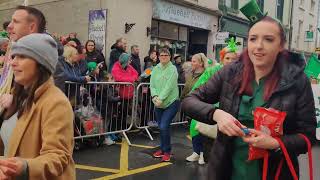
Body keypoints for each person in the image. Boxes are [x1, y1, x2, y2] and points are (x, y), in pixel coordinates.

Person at [182, 13, 316, 180]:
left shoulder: (297, 80)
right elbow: (188, 101)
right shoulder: (230, 72)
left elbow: (308, 137)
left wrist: (275, 143)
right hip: (226, 170)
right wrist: (217, 114)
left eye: (268, 39)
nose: (258, 46)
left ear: (281, 45)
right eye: (253, 39)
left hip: (275, 172)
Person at [0, 33, 75, 179]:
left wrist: (22, 167)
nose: (12, 63)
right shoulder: (17, 96)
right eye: (13, 57)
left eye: (22, 57)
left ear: (41, 63)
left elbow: (57, 157)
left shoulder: (56, 102)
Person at [150, 48, 179, 162]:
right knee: (161, 127)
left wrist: (160, 98)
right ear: (158, 56)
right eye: (161, 55)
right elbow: (152, 85)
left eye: (166, 55)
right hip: (158, 103)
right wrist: (154, 96)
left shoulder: (173, 69)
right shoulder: (156, 68)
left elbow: (169, 86)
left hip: (171, 102)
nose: (163, 57)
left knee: (164, 126)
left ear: (170, 57)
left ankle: (167, 151)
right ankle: (162, 149)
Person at [180, 53, 208, 165]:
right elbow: (187, 88)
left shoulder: (207, 74)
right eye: (192, 61)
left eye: (194, 61)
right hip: (191, 106)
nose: (192, 63)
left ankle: (203, 153)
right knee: (193, 130)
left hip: (201, 106)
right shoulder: (190, 74)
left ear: (201, 63)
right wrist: (182, 99)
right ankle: (196, 152)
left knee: (201, 130)